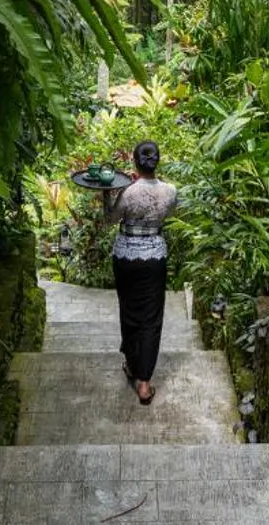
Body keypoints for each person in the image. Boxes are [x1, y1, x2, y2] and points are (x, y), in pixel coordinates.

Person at [101, 140, 178, 405]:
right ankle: (144, 383)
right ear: (157, 161)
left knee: (130, 312)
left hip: (126, 258)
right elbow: (167, 212)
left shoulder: (128, 192)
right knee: (151, 318)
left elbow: (110, 219)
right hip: (154, 258)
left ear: (135, 162)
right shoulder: (170, 191)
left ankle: (132, 365)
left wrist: (107, 194)